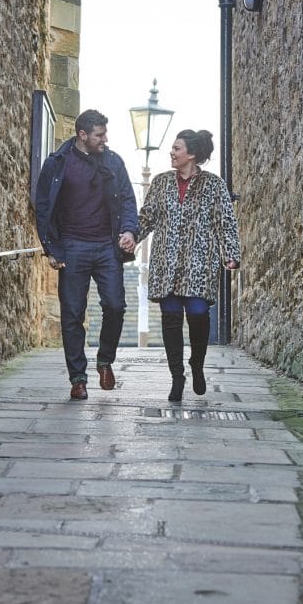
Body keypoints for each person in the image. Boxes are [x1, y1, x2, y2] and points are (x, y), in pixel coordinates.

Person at [121, 129, 240, 402]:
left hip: (200, 262)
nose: (171, 153)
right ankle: (176, 376)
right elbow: (147, 217)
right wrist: (132, 237)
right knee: (171, 318)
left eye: (176, 148)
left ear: (192, 154)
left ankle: (197, 363)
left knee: (198, 314)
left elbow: (225, 222)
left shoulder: (214, 184)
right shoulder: (161, 183)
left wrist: (230, 253)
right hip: (166, 262)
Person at [35, 109, 138, 401]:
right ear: (82, 136)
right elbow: (43, 208)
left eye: (105, 133)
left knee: (116, 305)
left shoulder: (114, 162)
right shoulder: (58, 164)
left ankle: (105, 362)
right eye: (99, 135)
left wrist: (129, 231)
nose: (105, 139)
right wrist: (51, 249)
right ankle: (78, 378)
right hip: (72, 245)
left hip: (107, 245)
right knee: (72, 313)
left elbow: (129, 200)